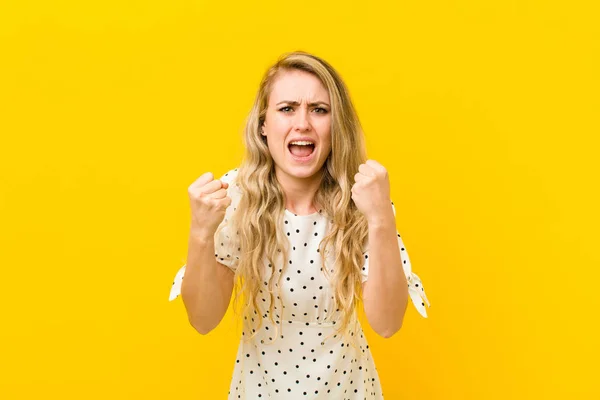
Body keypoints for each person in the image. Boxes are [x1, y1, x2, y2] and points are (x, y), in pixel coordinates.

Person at [168, 51, 430, 399]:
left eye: (319, 110)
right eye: (287, 108)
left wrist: (381, 218)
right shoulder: (236, 197)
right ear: (263, 124)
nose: (303, 123)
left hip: (348, 390)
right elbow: (202, 320)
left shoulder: (364, 199)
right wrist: (200, 233)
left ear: (335, 126)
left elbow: (387, 323)